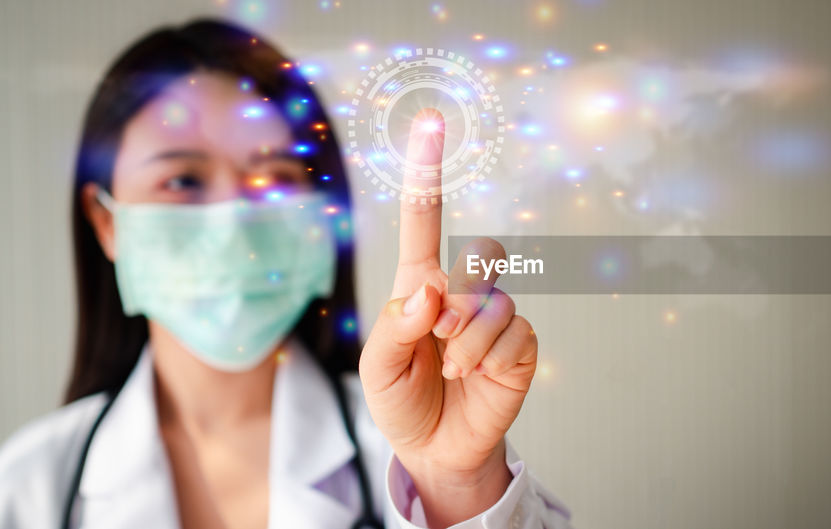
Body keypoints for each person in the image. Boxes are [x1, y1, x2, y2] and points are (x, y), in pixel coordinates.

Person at [0, 19, 570, 529]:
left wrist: (454, 487)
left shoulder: (408, 452)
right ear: (107, 223)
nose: (234, 227)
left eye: (274, 178)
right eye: (183, 181)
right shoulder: (27, 488)